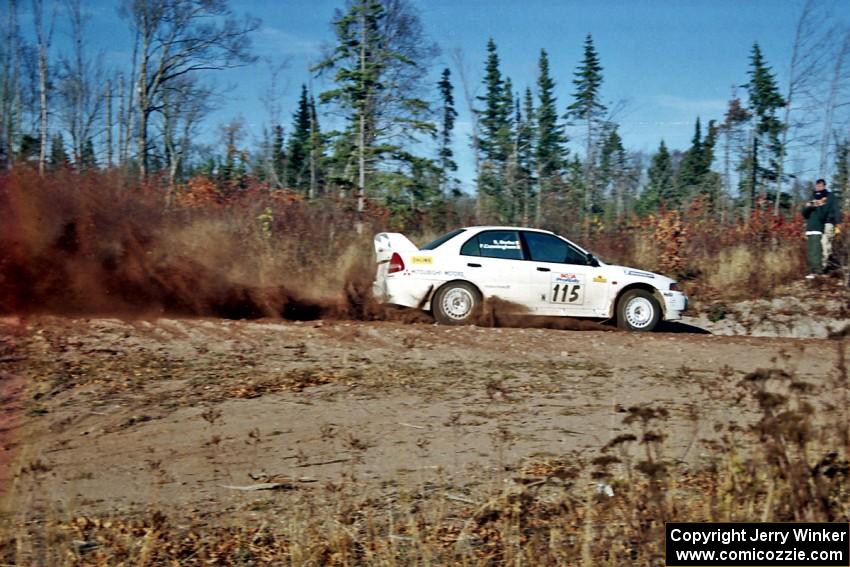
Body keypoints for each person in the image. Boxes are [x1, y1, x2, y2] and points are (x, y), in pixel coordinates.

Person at [802, 179, 840, 278]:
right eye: (817, 185)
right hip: (819, 224)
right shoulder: (813, 196)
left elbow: (836, 209)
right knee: (819, 246)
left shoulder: (830, 196)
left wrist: (837, 223)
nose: (819, 187)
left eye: (821, 185)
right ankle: (820, 269)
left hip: (829, 222)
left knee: (826, 245)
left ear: (824, 186)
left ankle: (823, 268)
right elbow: (807, 211)